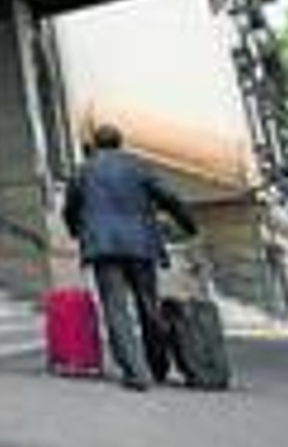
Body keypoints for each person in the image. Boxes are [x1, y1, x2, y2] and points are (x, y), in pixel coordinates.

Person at [61, 122, 197, 391]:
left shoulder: (83, 170)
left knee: (116, 309)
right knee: (148, 306)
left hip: (103, 248)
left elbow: (70, 208)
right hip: (140, 245)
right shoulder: (139, 166)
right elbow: (169, 197)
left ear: (96, 145)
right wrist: (188, 224)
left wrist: (77, 231)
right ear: (119, 142)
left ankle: (136, 372)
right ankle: (157, 366)